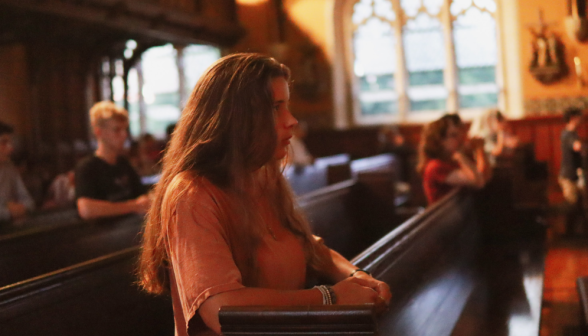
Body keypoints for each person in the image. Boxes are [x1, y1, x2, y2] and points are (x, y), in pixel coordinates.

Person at [138, 54, 391, 336]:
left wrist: (356, 277)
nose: (292, 121)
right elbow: (221, 309)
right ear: (237, 118)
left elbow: (308, 247)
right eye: (275, 108)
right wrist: (330, 297)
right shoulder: (192, 193)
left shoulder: (261, 174)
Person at [75, 101, 150, 220]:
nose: (124, 135)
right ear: (99, 132)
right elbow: (86, 209)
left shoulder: (123, 163)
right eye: (117, 130)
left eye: (125, 129)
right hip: (103, 233)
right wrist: (132, 206)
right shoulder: (88, 167)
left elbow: (142, 196)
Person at [417, 114, 487, 204]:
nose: (460, 138)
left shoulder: (451, 161)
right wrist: (460, 155)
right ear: (440, 141)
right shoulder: (435, 166)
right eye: (453, 135)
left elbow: (483, 178)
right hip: (444, 216)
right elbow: (477, 182)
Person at [559, 107, 586, 237]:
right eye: (579, 117)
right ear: (572, 118)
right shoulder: (567, 134)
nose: (581, 119)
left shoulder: (573, 133)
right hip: (568, 175)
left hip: (574, 174)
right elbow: (577, 146)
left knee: (579, 204)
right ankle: (568, 234)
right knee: (572, 204)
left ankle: (576, 233)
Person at [0, 121, 35, 222]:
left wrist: (22, 208)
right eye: (4, 143)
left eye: (10, 142)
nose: (11, 148)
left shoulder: (9, 167)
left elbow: (29, 201)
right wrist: (8, 212)